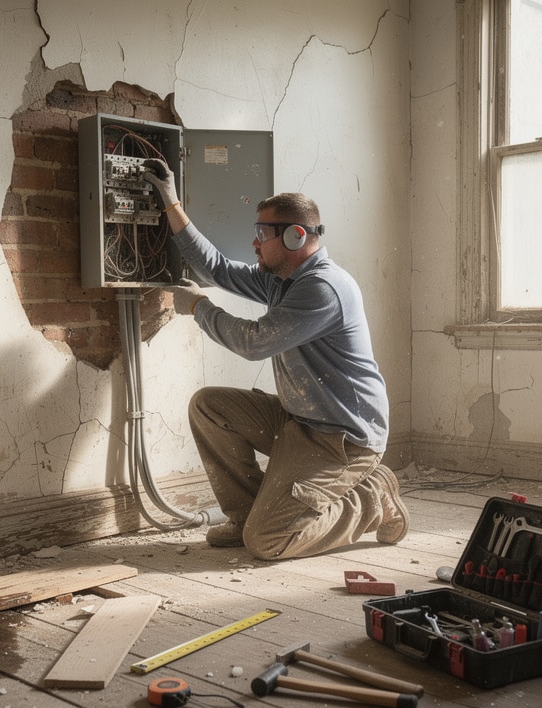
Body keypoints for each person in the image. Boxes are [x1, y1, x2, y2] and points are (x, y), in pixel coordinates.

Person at [140, 158, 408, 560]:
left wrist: (198, 307)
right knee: (210, 406)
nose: (254, 243)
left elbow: (254, 343)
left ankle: (373, 497)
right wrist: (171, 201)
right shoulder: (282, 280)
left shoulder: (323, 288)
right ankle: (247, 516)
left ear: (297, 237)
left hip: (343, 439)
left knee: (268, 542)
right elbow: (216, 269)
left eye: (263, 233)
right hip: (300, 421)